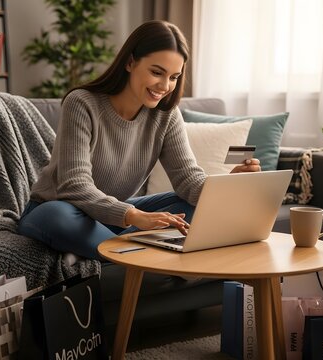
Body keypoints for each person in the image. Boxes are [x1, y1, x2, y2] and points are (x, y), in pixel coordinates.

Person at [18, 20, 261, 259]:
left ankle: (121, 250)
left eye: (174, 77)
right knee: (58, 217)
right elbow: (75, 186)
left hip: (114, 217)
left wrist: (226, 187)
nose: (165, 86)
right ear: (130, 62)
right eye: (157, 72)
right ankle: (139, 252)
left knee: (192, 206)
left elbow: (188, 179)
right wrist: (133, 216)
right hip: (60, 209)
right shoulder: (82, 103)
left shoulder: (166, 115)